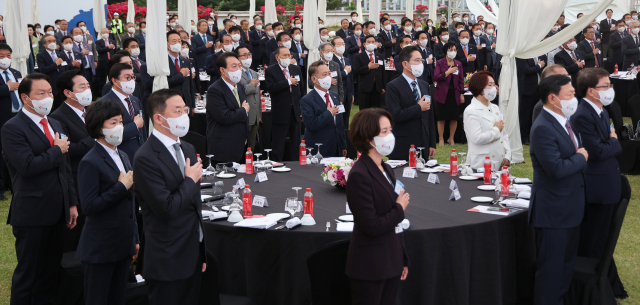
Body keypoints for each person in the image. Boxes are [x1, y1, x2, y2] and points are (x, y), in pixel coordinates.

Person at [3, 73, 78, 304]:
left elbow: (64, 169)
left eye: (49, 92)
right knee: (29, 272)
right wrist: (56, 150)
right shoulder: (12, 128)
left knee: (50, 270)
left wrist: (72, 202)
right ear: (25, 97)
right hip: (32, 212)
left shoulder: (54, 122)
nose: (48, 97)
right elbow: (26, 166)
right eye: (41, 93)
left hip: (58, 209)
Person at [133, 89, 206, 305]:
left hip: (192, 252)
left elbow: (195, 203)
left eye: (185, 110)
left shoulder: (188, 148)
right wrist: (190, 181)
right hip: (167, 257)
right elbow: (166, 208)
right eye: (177, 111)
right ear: (158, 118)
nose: (184, 115)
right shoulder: (145, 157)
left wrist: (200, 252)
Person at [529, 74, 588, 305]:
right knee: (551, 273)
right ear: (553, 98)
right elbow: (555, 168)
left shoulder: (564, 120)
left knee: (564, 268)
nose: (575, 98)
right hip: (554, 212)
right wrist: (581, 157)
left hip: (570, 208)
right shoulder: (543, 127)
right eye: (570, 94)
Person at [75, 99, 139, 305]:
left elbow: (131, 202)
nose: (120, 127)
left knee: (119, 298)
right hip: (100, 248)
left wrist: (134, 239)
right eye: (113, 123)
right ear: (99, 127)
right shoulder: (90, 161)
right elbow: (90, 206)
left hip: (122, 244)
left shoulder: (122, 155)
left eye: (121, 121)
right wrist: (121, 187)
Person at [346, 108, 410, 305]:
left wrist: (402, 258)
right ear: (368, 138)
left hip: (391, 261)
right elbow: (370, 225)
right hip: (370, 267)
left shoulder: (387, 169)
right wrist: (399, 209)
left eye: (390, 130)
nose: (389, 136)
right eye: (384, 132)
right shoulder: (359, 174)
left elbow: (393, 223)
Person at [572, 68, 627, 297]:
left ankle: (605, 283)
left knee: (603, 237)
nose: (609, 90)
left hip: (608, 182)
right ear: (591, 91)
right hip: (596, 186)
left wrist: (611, 143)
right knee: (593, 240)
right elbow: (596, 151)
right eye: (605, 86)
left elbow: (607, 145)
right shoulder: (582, 114)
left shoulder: (601, 111)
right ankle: (593, 289)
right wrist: (613, 142)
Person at [386, 46, 436, 161]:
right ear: (405, 64)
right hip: (403, 143)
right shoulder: (393, 86)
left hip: (423, 143)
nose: (420, 64)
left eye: (421, 60)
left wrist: (431, 143)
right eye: (416, 60)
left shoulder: (424, 85)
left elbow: (430, 117)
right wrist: (418, 108)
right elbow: (395, 115)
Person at [206, 52, 251, 163]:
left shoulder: (240, 87)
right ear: (222, 70)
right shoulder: (215, 90)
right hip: (224, 146)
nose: (238, 69)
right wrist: (244, 110)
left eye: (239, 65)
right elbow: (224, 116)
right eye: (234, 66)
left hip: (242, 144)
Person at [98, 63, 146, 163]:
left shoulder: (135, 100)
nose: (131, 81)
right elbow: (107, 136)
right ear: (115, 80)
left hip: (140, 155)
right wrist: (134, 126)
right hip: (121, 156)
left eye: (133, 77)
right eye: (127, 78)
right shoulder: (105, 103)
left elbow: (142, 129)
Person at [463, 71, 510, 169]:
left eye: (494, 84)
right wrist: (496, 130)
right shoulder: (471, 110)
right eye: (490, 85)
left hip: (499, 163)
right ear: (479, 88)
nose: (494, 87)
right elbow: (477, 138)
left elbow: (504, 134)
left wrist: (508, 155)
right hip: (481, 164)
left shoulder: (495, 108)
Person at [300, 61, 347, 157]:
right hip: (319, 149)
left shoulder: (335, 96)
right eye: (324, 74)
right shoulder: (307, 100)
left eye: (329, 73)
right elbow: (311, 124)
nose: (328, 77)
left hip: (336, 147)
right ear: (314, 79)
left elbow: (340, 123)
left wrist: (343, 145)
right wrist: (329, 113)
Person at [265, 46, 302, 161]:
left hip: (295, 110)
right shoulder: (271, 70)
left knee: (296, 141)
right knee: (278, 142)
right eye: (284, 55)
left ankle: (296, 164)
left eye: (289, 55)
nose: (287, 57)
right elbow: (271, 88)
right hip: (281, 111)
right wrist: (287, 82)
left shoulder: (296, 69)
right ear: (277, 57)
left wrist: (301, 109)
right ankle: (276, 163)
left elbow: (301, 90)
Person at [0, 43, 22, 199]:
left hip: (17, 117)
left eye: (8, 56)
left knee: (15, 151)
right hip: (2, 118)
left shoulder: (15, 72)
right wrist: (7, 88)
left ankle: (12, 183)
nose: (6, 59)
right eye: (1, 56)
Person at [434, 42, 464, 146]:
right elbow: (436, 77)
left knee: (454, 117)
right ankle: (441, 138)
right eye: (451, 50)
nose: (453, 52)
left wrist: (461, 93)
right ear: (446, 51)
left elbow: (461, 80)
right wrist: (448, 72)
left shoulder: (458, 63)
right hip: (442, 94)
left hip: (454, 94)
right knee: (441, 117)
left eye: (455, 50)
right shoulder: (439, 62)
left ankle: (451, 138)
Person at [235, 46, 261, 150]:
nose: (248, 57)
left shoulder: (254, 73)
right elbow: (238, 92)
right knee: (242, 145)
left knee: (252, 146)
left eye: (249, 54)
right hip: (244, 113)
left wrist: (259, 113)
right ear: (238, 58)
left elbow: (257, 94)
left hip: (255, 115)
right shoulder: (236, 74)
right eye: (244, 55)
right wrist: (251, 85)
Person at [516, 56, 545, 145]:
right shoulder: (524, 55)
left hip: (538, 88)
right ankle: (524, 137)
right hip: (527, 89)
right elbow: (525, 70)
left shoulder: (538, 55)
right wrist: (539, 66)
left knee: (536, 113)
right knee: (526, 115)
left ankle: (532, 136)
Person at [36, 34, 69, 108]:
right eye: (49, 41)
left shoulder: (61, 54)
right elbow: (43, 70)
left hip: (62, 85)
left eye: (54, 41)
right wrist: (55, 64)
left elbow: (66, 68)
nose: (52, 43)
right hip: (50, 86)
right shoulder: (41, 55)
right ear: (44, 44)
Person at [353, 35, 384, 109]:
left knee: (376, 111)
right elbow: (356, 71)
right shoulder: (359, 56)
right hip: (365, 88)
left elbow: (383, 72)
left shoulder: (379, 56)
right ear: (364, 44)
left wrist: (383, 86)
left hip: (377, 88)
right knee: (365, 111)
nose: (371, 43)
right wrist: (368, 67)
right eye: (369, 42)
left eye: (373, 42)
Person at [332, 36, 354, 129]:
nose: (342, 46)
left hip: (348, 93)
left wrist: (352, 93)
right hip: (337, 93)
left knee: (346, 119)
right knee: (337, 119)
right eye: (339, 44)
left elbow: (351, 78)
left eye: (343, 44)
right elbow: (334, 77)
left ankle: (345, 137)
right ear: (333, 47)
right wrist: (344, 72)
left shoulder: (347, 59)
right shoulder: (331, 61)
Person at [95, 28, 117, 96]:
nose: (105, 33)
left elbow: (115, 51)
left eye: (106, 32)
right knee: (102, 79)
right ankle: (102, 93)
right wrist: (108, 47)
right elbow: (99, 50)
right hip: (103, 63)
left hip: (111, 62)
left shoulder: (112, 41)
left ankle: (113, 92)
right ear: (101, 34)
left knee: (112, 78)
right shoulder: (98, 42)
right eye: (103, 32)